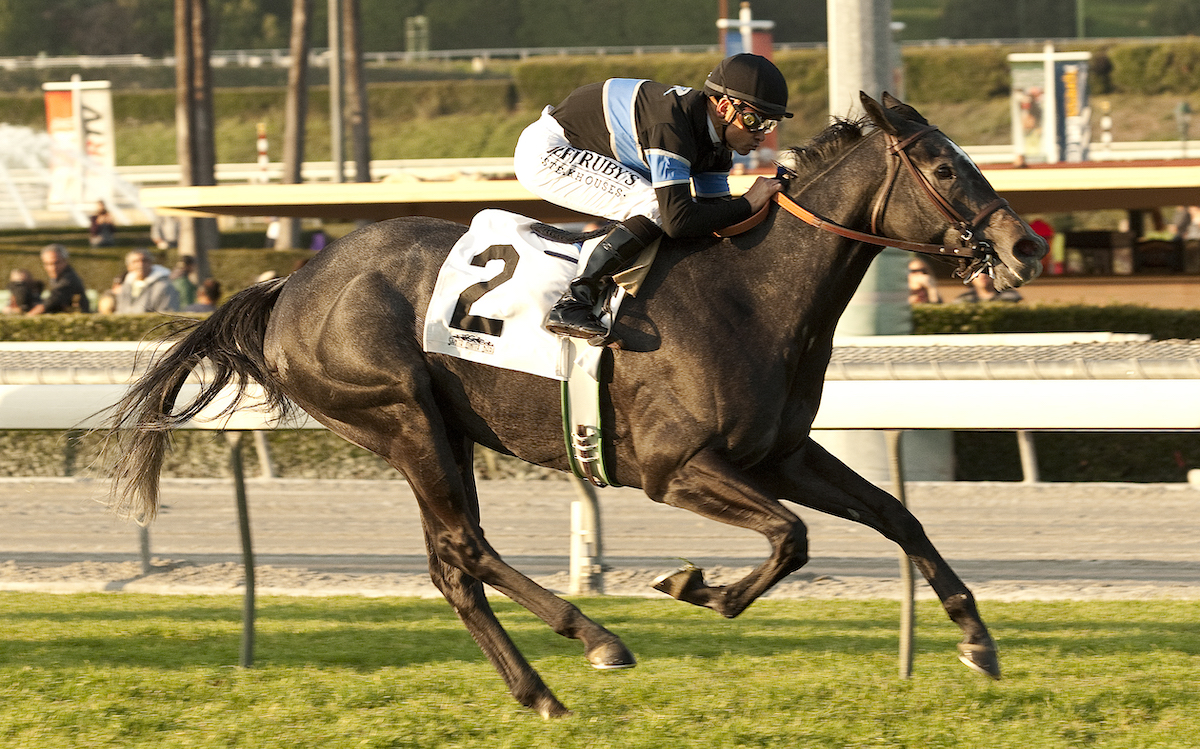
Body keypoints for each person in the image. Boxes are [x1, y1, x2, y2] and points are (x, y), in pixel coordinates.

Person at [514, 53, 791, 340]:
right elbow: (678, 221)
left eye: (770, 125)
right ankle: (574, 301)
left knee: (665, 210)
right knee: (654, 206)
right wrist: (748, 202)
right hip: (548, 152)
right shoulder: (672, 128)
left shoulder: (717, 148)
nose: (762, 135)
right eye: (754, 120)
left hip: (589, 145)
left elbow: (715, 221)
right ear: (723, 107)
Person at [28, 244, 90, 314]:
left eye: (56, 263)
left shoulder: (69, 279)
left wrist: (29, 315)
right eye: (48, 264)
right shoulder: (59, 277)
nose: (53, 268)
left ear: (65, 261)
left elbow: (53, 300)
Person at [115, 249, 180, 313]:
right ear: (129, 266)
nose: (141, 264)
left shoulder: (164, 286)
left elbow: (168, 313)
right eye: (136, 261)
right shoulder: (125, 286)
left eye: (145, 261)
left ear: (151, 263)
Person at [956, 272, 1022, 303]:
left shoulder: (1011, 297)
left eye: (987, 272)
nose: (982, 276)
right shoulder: (964, 300)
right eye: (977, 272)